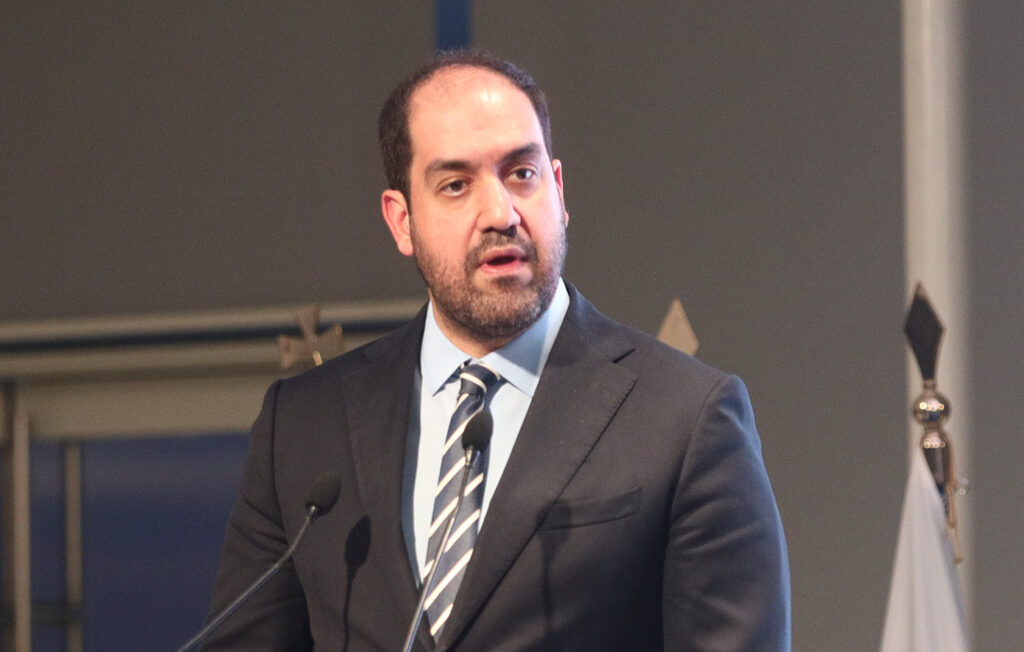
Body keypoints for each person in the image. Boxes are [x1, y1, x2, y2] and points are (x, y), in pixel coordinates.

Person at [204, 50, 790, 651]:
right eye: (456, 185)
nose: (500, 214)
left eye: (521, 174)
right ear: (402, 221)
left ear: (558, 190)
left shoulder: (685, 418)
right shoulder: (303, 427)